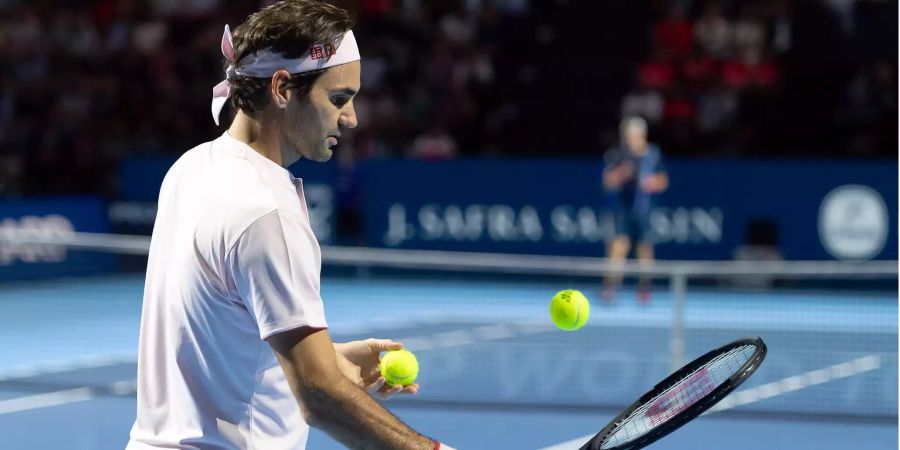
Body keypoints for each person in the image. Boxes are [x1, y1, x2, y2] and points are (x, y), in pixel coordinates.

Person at [126, 2, 456, 449]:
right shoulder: (267, 214)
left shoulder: (191, 168)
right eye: (339, 98)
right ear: (282, 88)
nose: (352, 117)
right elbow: (319, 397)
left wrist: (328, 360)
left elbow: (214, 346)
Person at [601, 116, 668, 305]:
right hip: (623, 210)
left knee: (645, 249)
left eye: (633, 135)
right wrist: (623, 173)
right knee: (618, 247)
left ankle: (644, 289)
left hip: (644, 210)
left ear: (642, 135)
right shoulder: (617, 154)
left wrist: (651, 183)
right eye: (627, 135)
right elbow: (607, 182)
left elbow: (663, 181)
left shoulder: (653, 154)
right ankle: (611, 288)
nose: (629, 138)